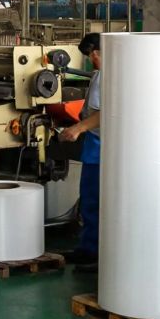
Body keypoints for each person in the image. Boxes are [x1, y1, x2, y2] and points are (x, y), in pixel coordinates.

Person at [57, 33, 103, 267]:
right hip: (95, 143)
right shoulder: (101, 74)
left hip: (101, 147)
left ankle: (93, 253)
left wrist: (77, 129)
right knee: (90, 200)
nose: (92, 59)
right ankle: (88, 249)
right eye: (89, 56)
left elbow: (105, 113)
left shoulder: (108, 76)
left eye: (93, 54)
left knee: (94, 200)